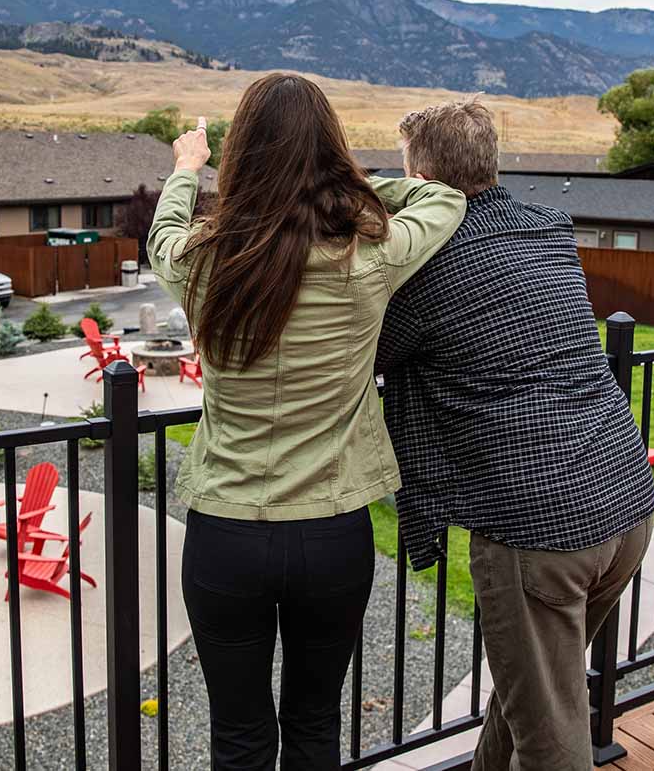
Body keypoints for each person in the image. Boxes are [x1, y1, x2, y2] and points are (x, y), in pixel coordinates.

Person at [147, 73, 466, 771]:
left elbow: (162, 233)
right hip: (331, 532)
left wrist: (184, 168)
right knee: (316, 725)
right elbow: (442, 196)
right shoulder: (368, 253)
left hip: (225, 534)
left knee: (238, 736)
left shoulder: (204, 259)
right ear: (330, 152)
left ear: (242, 157)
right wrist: (343, 187)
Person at [375, 99, 654, 771]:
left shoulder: (425, 264)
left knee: (549, 739)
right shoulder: (545, 228)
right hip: (624, 505)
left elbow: (366, 350)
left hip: (537, 531)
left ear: (418, 171)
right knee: (534, 693)